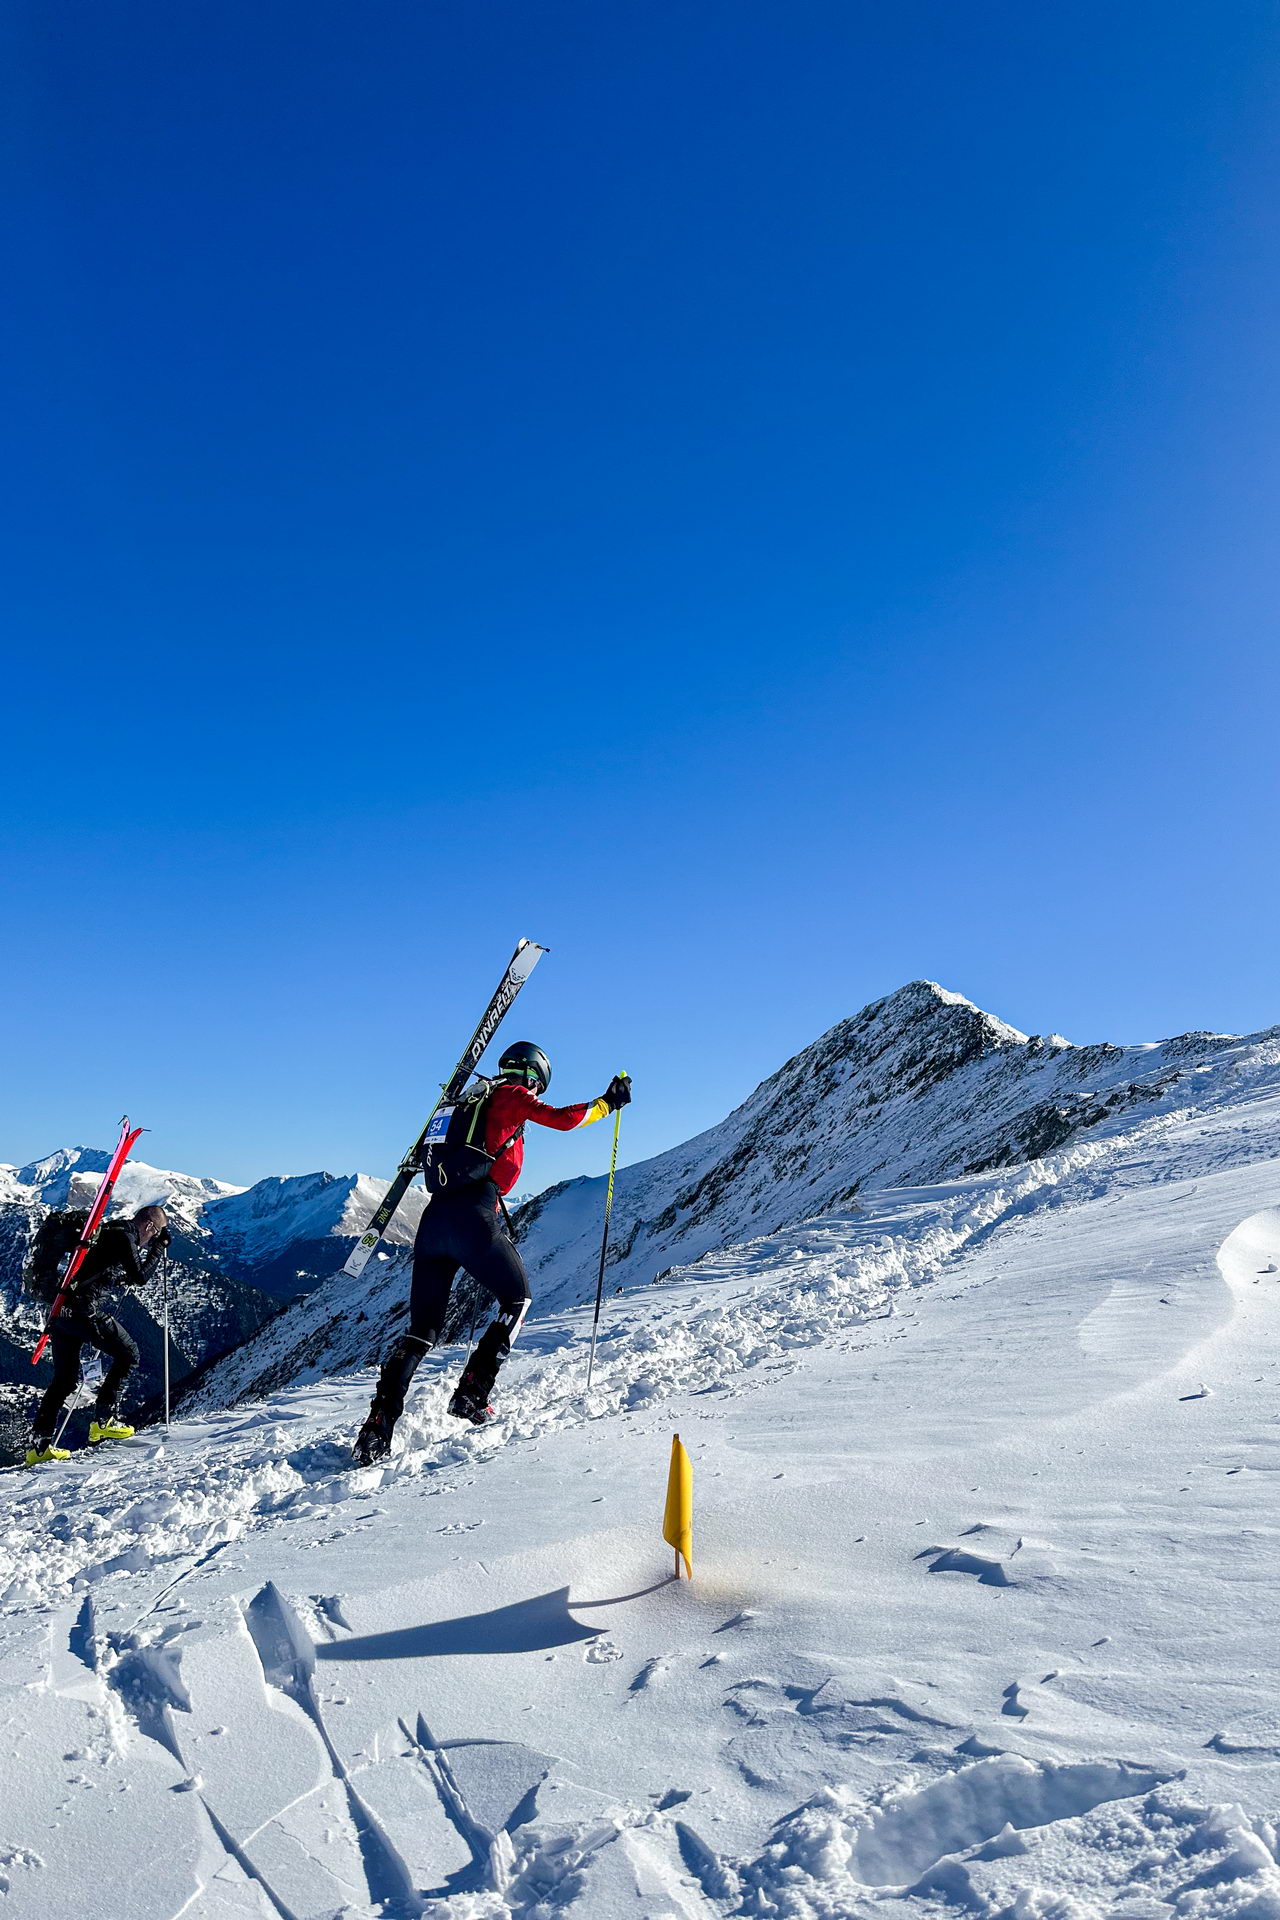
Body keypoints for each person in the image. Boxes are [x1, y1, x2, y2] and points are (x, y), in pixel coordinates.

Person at [353, 1044, 631, 1463]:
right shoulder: (510, 1095)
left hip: (433, 1223)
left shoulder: (460, 1105)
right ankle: (471, 1394)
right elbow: (563, 1120)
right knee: (516, 1300)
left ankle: (376, 1430)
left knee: (420, 1331)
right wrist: (608, 1103)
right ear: (535, 1076)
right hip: (473, 1217)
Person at [27, 1204, 171, 1465]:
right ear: (150, 1226)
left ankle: (38, 1448)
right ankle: (104, 1421)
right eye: (155, 1233)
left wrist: (116, 1278)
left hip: (61, 1313)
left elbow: (98, 1269)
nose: (153, 1239)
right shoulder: (124, 1236)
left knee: (63, 1380)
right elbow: (140, 1276)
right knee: (129, 1354)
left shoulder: (110, 1231)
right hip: (84, 1314)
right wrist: (159, 1250)